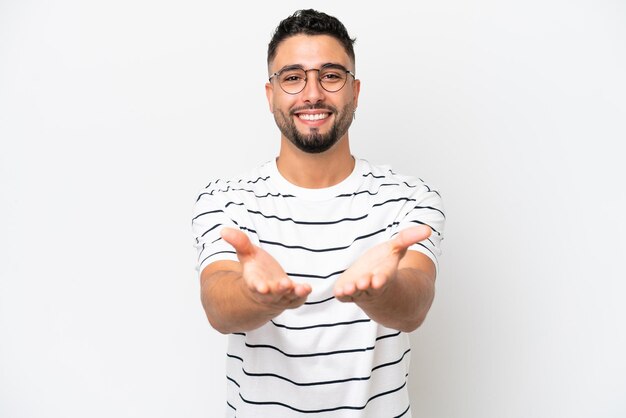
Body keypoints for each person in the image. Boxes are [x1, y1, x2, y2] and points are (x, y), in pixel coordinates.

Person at [192, 9, 445, 417]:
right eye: (293, 77)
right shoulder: (226, 199)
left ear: (355, 91)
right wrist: (257, 297)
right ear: (270, 93)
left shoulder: (409, 199)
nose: (312, 94)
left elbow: (415, 305)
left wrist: (382, 294)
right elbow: (218, 308)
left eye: (331, 75)